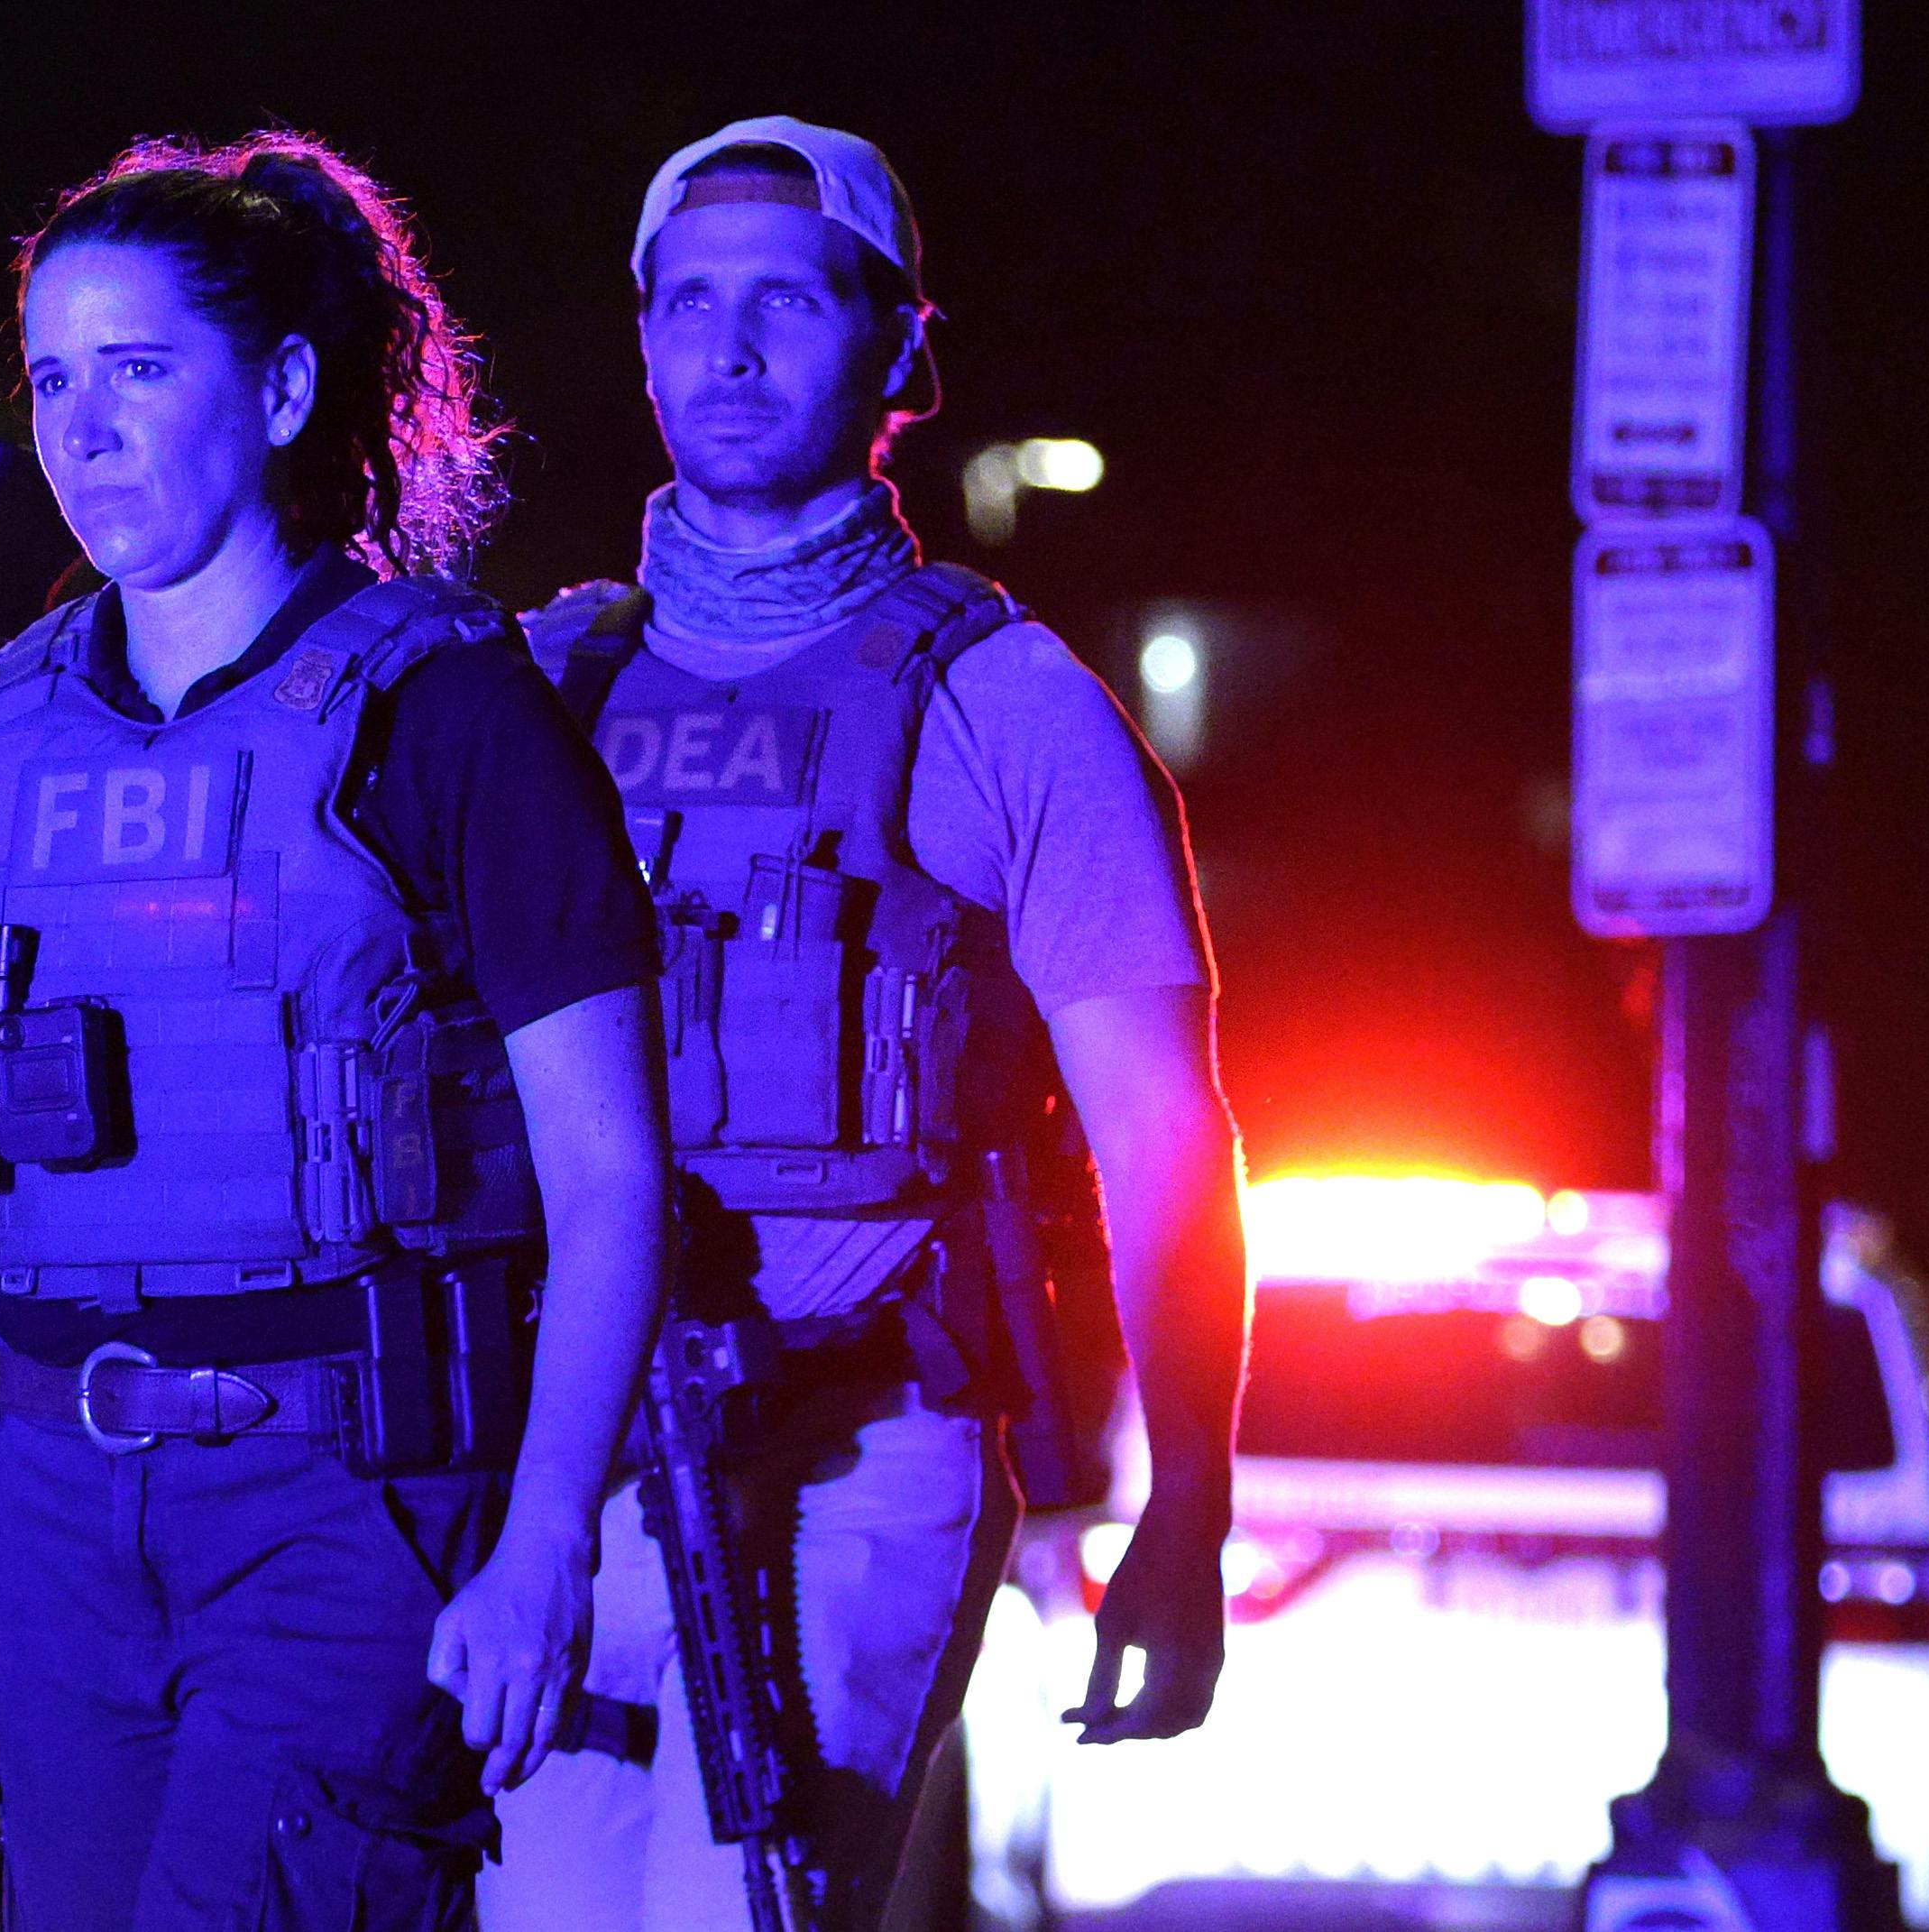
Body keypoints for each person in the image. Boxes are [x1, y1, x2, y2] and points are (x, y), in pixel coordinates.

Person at [0, 131, 668, 1932]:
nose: (81, 432)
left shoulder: (445, 710)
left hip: (337, 1501)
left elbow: (612, 1173)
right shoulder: (13, 731)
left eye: (140, 371)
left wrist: (545, 1537)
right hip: (45, 1509)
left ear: (281, 388)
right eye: (51, 381)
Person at [477, 117, 1251, 1932]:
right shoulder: (538, 682)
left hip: (852, 1444)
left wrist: (1190, 1508)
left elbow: (1164, 1140)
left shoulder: (1002, 704)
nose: (726, 353)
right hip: (558, 1453)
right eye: (684, 307)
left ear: (899, 349)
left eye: (784, 305)